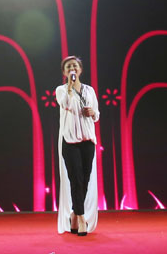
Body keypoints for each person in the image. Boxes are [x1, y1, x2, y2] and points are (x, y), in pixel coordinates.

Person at [55, 55, 99, 236]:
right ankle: (81, 219)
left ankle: (74, 214)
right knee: (76, 179)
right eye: (68, 67)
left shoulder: (89, 90)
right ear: (65, 72)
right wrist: (70, 87)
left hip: (88, 140)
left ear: (80, 70)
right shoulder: (61, 90)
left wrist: (92, 112)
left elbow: (97, 115)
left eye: (74, 65)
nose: (72, 68)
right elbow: (65, 104)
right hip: (70, 141)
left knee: (85, 179)